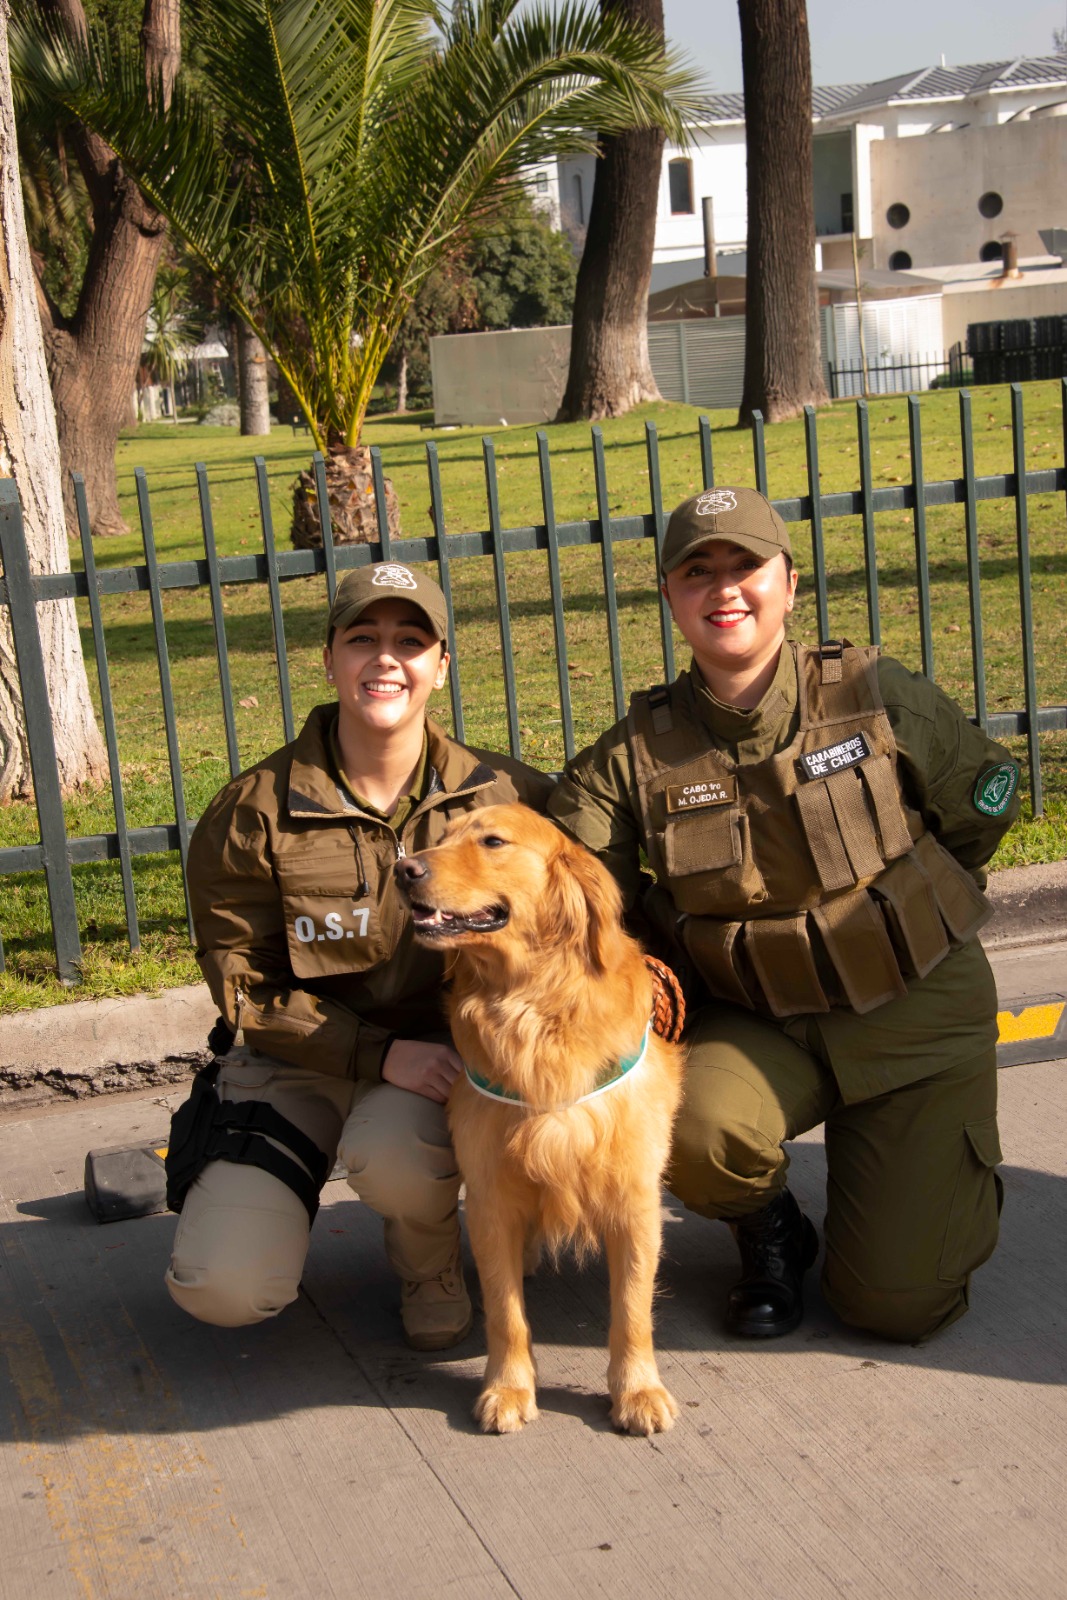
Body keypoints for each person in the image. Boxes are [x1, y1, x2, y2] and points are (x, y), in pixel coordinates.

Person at [548, 486, 1021, 1343]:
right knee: (697, 1137)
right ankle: (768, 1226)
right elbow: (570, 892)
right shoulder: (633, 758)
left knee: (894, 1307)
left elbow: (978, 811)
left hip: (913, 1013)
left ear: (789, 583)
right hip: (762, 1024)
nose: (724, 590)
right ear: (669, 596)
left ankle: (935, 1183)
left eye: (745, 567)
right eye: (698, 573)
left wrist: (904, 911)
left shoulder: (877, 695)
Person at [167, 562, 552, 1349]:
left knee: (398, 1156)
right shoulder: (253, 811)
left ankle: (429, 1266)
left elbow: (575, 915)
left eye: (410, 641)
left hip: (435, 1066)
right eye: (362, 639)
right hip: (295, 1061)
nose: (386, 659)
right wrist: (378, 1056)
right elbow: (244, 991)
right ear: (330, 658)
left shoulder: (505, 799)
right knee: (223, 1289)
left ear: (440, 666)